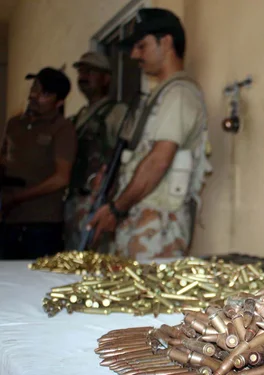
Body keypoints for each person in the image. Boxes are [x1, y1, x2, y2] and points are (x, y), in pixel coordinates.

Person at [86, 8, 211, 259]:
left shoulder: (178, 94)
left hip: (159, 227)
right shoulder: (158, 96)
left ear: (165, 43)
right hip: (142, 222)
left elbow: (158, 160)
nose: (134, 55)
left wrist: (116, 208)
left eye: (141, 46)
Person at [0, 67, 76, 259]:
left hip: (42, 224)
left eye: (45, 93)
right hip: (9, 220)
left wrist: (18, 198)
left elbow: (61, 178)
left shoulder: (62, 128)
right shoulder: (14, 123)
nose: (34, 95)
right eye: (34, 88)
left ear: (59, 102)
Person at [64, 51, 128, 251]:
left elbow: (125, 157)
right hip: (73, 203)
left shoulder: (117, 112)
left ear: (106, 78)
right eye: (81, 71)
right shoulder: (76, 119)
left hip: (98, 202)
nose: (83, 76)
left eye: (90, 72)